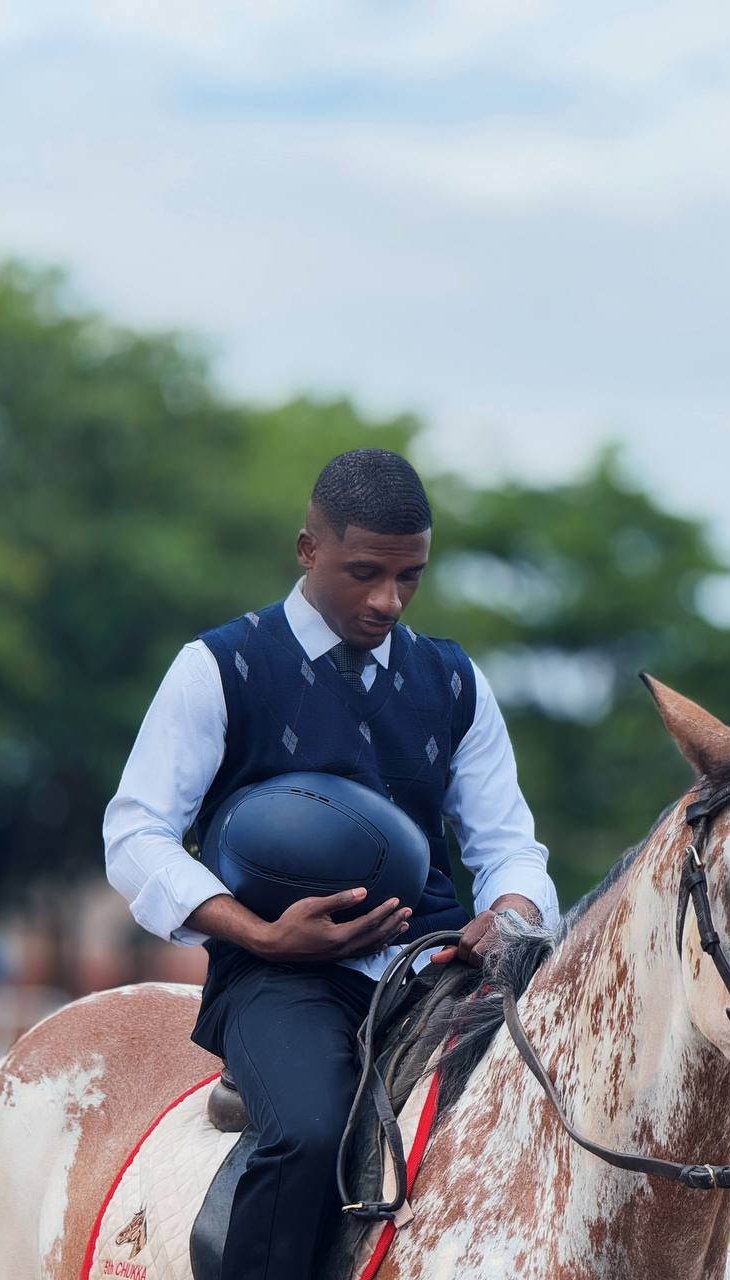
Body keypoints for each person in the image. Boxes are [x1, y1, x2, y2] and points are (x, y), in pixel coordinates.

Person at [102, 447, 559, 1279]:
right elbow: (135, 835)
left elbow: (507, 847)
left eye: (409, 576)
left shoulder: (454, 681)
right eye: (364, 573)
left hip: (434, 968)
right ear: (308, 549)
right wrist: (261, 935)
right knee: (311, 1130)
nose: (387, 600)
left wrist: (513, 915)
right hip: (279, 978)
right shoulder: (221, 667)